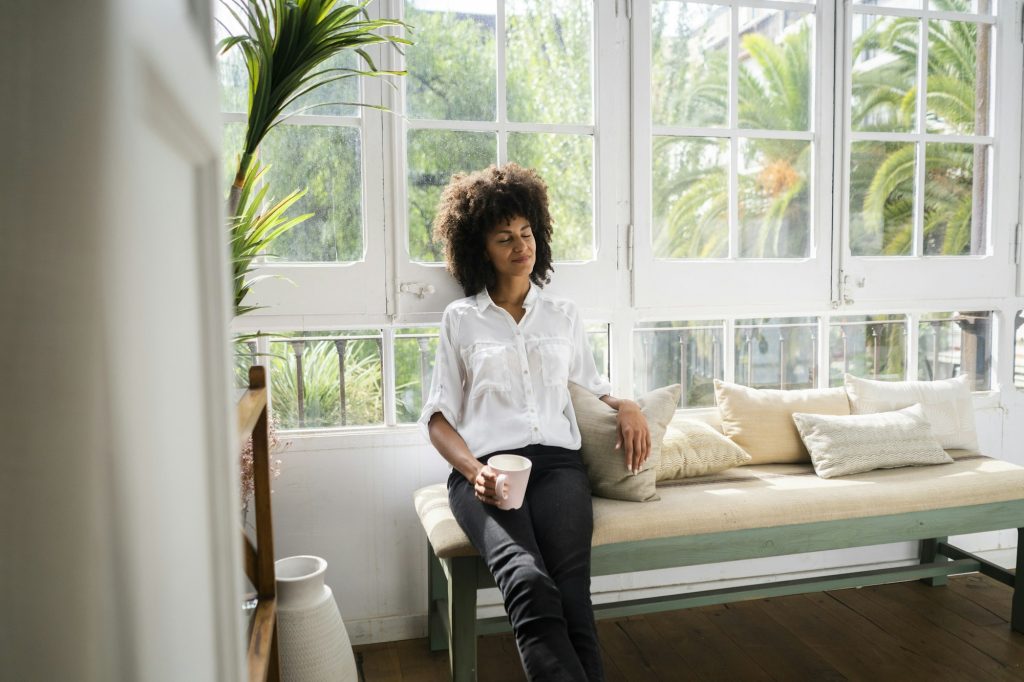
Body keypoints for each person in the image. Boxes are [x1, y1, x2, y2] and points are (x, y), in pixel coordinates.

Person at [418, 163, 651, 681]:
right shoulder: (461, 319)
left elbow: (594, 386)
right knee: (526, 581)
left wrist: (628, 405)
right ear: (482, 249)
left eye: (526, 234)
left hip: (559, 468)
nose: (521, 246)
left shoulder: (563, 314)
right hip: (486, 473)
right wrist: (474, 470)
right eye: (505, 238)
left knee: (571, 593)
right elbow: (438, 418)